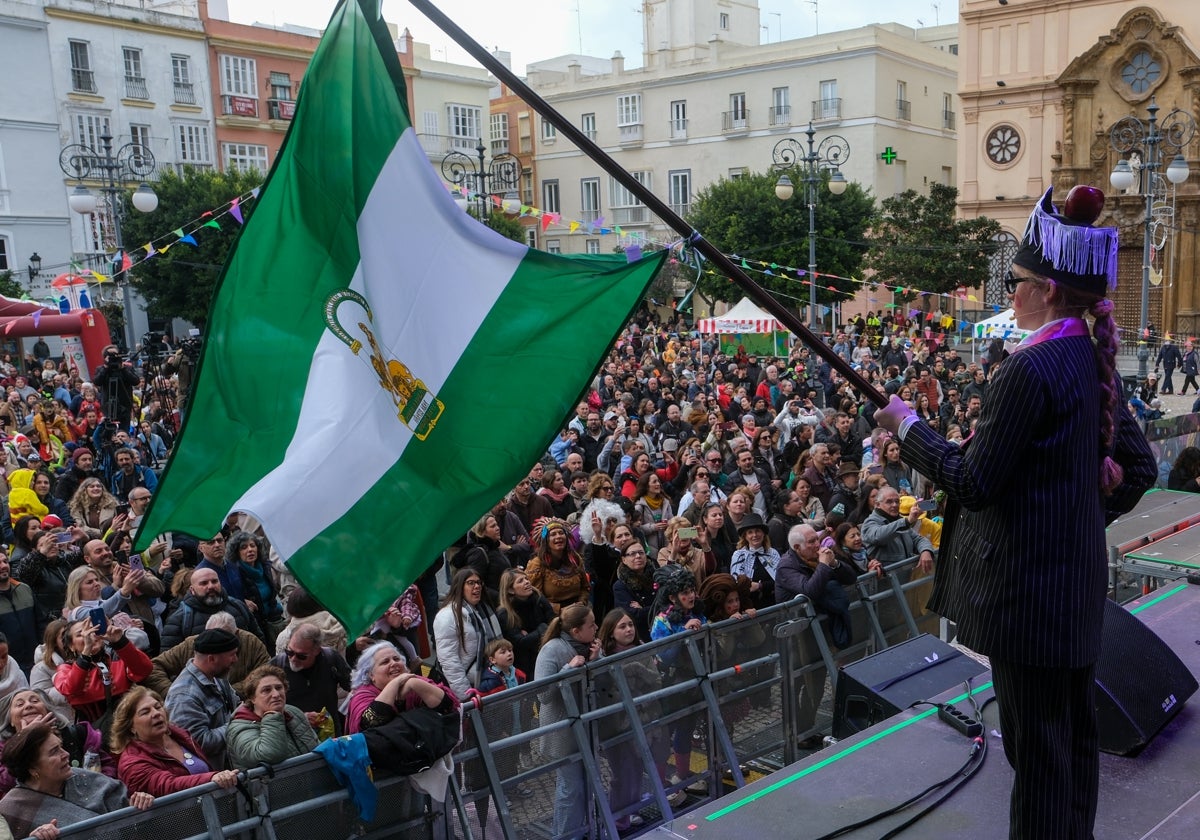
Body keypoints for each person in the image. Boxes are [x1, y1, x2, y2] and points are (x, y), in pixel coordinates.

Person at [875, 186, 1156, 839]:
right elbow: (1136, 470)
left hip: (1029, 604)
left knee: (1037, 763)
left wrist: (908, 425)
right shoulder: (1090, 357)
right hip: (1074, 592)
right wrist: (1071, 521)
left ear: (1049, 289)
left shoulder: (1029, 370)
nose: (1009, 289)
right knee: (1068, 754)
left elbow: (973, 481)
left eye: (1017, 279)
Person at [0, 723, 152, 838]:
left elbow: (134, 819)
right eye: (54, 752)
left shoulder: (83, 776)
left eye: (61, 747)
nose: (66, 754)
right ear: (32, 768)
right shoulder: (11, 809)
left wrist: (140, 803)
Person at [534, 604, 600, 840]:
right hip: (562, 734)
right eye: (591, 625)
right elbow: (543, 694)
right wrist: (567, 669)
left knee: (588, 784)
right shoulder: (552, 650)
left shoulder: (589, 646)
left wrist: (596, 658)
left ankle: (582, 830)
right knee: (571, 789)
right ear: (575, 631)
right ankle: (565, 836)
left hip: (586, 726)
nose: (596, 628)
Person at [111, 686, 240, 796]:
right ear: (131, 727)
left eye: (158, 707)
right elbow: (168, 785)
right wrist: (211, 778)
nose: (156, 713)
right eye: (145, 712)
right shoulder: (132, 763)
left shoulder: (180, 735)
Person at [0, 688, 116, 797]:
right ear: (10, 720)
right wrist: (25, 738)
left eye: (35, 701)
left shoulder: (78, 734)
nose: (29, 705)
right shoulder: (3, 749)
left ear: (48, 710)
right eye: (20, 704)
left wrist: (97, 788)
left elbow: (107, 765)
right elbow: (5, 783)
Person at [163, 628, 241, 771]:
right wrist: (239, 725)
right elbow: (198, 742)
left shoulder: (218, 678)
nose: (235, 660)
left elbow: (237, 705)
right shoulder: (183, 696)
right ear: (212, 658)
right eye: (232, 655)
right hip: (212, 781)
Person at [226, 664, 318, 769]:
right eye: (266, 690)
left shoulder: (293, 712)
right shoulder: (240, 727)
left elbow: (315, 746)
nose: (276, 694)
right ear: (252, 698)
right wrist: (272, 716)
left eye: (279, 688)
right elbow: (270, 755)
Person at [432, 569, 503, 700]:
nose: (477, 586)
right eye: (471, 583)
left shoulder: (483, 610)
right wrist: (466, 695)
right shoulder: (446, 616)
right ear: (459, 587)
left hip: (490, 679)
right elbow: (449, 661)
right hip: (470, 687)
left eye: (478, 582)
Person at [524, 518, 589, 615]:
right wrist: (560, 610)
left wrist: (581, 602)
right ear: (545, 540)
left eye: (561, 533)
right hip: (552, 615)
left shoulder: (574, 558)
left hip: (578, 611)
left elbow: (585, 587)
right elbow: (535, 597)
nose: (558, 537)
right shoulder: (537, 564)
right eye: (553, 534)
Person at [728, 513, 779, 609]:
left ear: (763, 534)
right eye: (750, 532)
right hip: (751, 607)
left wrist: (760, 586)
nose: (754, 535)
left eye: (758, 531)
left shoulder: (773, 553)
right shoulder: (739, 555)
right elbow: (738, 583)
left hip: (775, 602)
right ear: (745, 536)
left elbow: (781, 580)